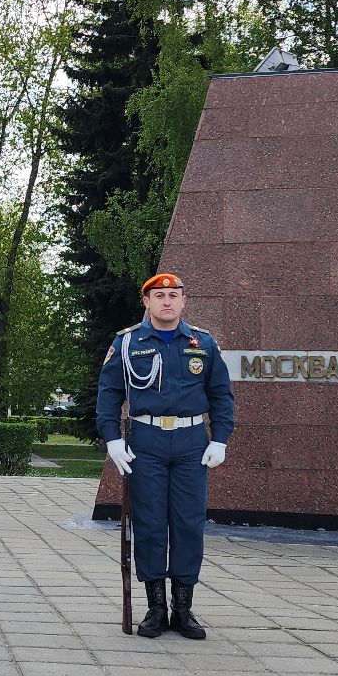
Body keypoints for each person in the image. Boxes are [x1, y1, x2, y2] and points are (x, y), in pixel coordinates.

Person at [95, 273, 235, 639]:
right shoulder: (127, 343)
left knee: (189, 525)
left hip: (191, 441)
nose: (167, 301)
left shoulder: (202, 343)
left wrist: (219, 439)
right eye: (159, 295)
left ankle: (184, 609)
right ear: (147, 302)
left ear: (184, 301)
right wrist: (111, 439)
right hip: (146, 441)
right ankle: (156, 608)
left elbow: (221, 395)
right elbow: (108, 395)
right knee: (150, 524)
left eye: (174, 295)